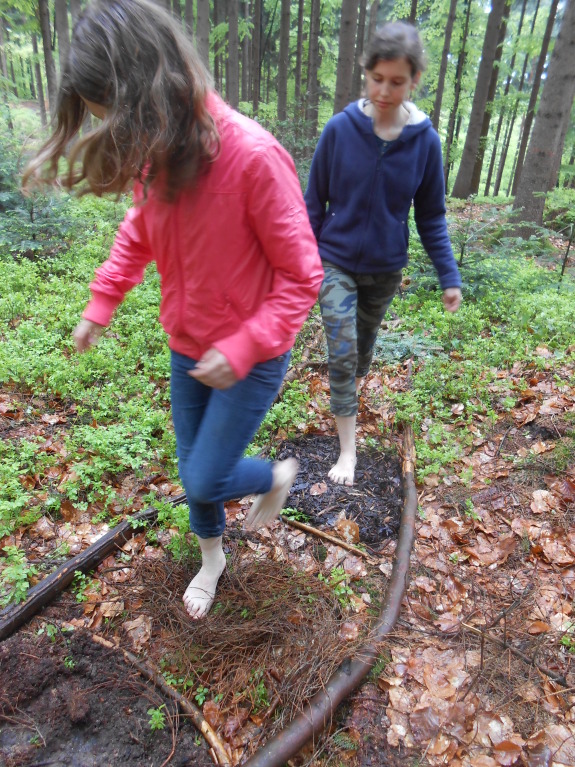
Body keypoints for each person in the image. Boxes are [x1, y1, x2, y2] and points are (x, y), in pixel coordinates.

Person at [23, 0, 323, 620]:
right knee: (196, 470)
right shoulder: (158, 155)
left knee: (204, 476)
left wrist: (241, 346)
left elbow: (301, 277)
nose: (122, 139)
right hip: (186, 347)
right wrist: (102, 301)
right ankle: (212, 559)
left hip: (251, 356)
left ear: (147, 88)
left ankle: (274, 475)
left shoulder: (254, 158)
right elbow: (139, 232)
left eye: (117, 119)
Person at [304, 21, 462, 487]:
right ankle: (347, 452)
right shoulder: (340, 130)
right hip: (333, 261)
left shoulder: (425, 143)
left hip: (385, 270)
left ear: (414, 81)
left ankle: (346, 399)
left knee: (361, 354)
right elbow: (313, 204)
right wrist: (299, 265)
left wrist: (448, 275)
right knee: (343, 351)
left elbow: (430, 216)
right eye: (378, 79)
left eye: (397, 81)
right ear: (365, 73)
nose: (385, 90)